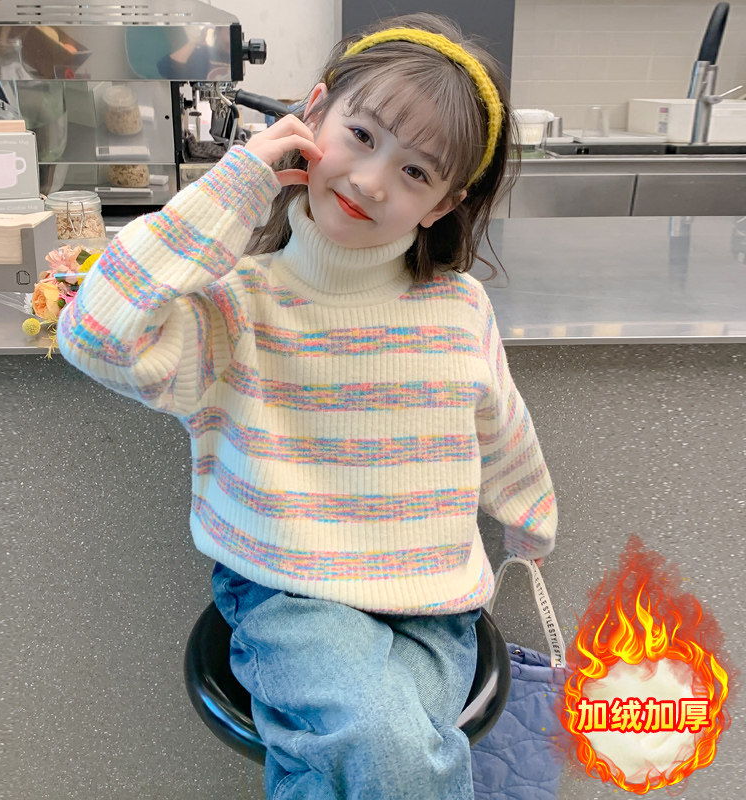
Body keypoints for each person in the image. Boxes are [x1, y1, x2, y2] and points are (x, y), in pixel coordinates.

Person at [57, 12, 557, 800]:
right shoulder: (237, 305)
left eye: (415, 172)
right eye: (360, 134)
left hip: (433, 603)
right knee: (392, 755)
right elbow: (96, 332)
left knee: (376, 766)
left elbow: (501, 424)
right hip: (290, 593)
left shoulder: (458, 307)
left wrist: (530, 519)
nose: (371, 181)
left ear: (443, 204)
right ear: (313, 112)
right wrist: (237, 183)